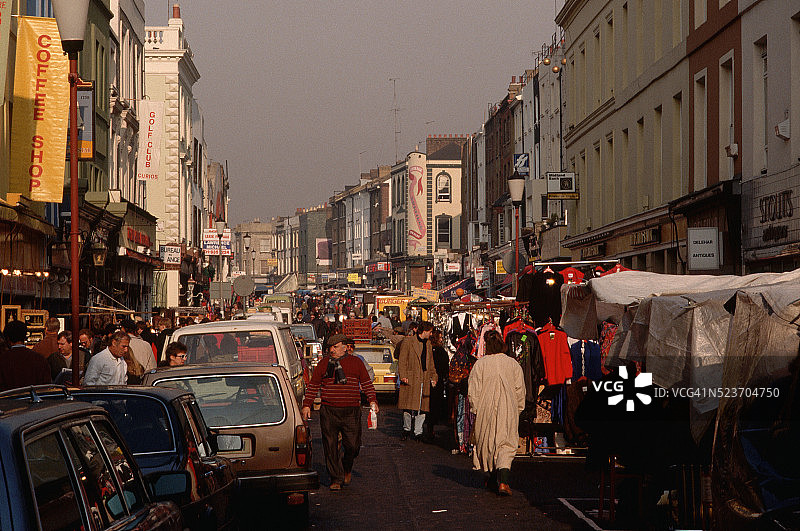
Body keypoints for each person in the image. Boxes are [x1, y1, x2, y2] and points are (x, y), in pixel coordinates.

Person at [301, 334, 378, 491]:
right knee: (330, 446)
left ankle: (346, 466)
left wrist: (372, 400)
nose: (332, 350)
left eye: (335, 347)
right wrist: (307, 404)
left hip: (351, 411)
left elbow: (366, 382)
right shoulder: (324, 364)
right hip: (329, 411)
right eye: (330, 347)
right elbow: (314, 385)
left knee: (353, 446)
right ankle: (336, 478)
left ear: (345, 347)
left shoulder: (356, 363)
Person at [468, 330, 525, 496]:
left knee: (488, 442)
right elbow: (519, 389)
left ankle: (493, 478)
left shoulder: (480, 364)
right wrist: (518, 408)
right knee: (506, 443)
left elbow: (474, 390)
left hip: (486, 408)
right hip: (508, 407)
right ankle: (503, 482)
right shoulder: (513, 364)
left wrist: (476, 408)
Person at [396, 321, 438, 441]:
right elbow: (402, 360)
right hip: (411, 377)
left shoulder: (428, 344)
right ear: (424, 331)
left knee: (422, 407)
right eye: (430, 332)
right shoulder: (408, 342)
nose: (431, 334)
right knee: (408, 406)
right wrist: (403, 375)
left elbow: (430, 363)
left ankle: (418, 432)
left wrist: (434, 377)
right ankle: (406, 429)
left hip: (424, 378)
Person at [0, 320, 51, 391]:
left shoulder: (2, 360)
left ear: (7, 338)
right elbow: (46, 387)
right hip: (34, 400)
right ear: (25, 336)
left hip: (9, 401)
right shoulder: (40, 359)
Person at [423, 328, 451, 442]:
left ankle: (428, 428)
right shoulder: (440, 351)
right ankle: (431, 429)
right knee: (434, 406)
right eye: (440, 337)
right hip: (437, 382)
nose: (441, 339)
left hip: (428, 381)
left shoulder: (427, 349)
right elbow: (445, 367)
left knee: (428, 406)